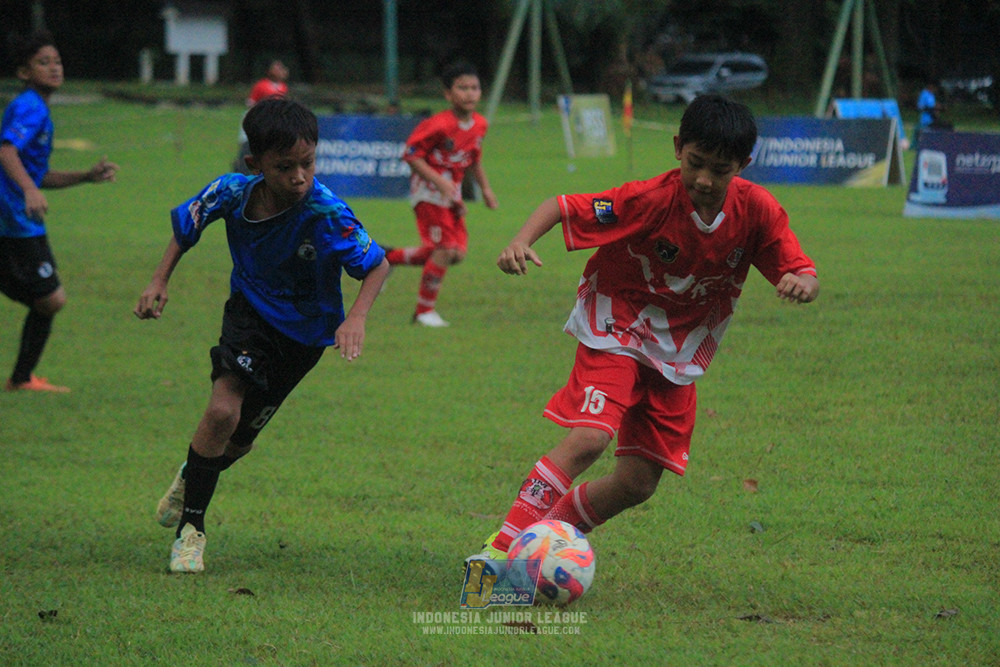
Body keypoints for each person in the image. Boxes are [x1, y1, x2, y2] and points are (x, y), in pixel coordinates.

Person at [466, 94, 820, 569]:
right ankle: (501, 552)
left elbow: (800, 269)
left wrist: (802, 283)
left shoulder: (757, 210)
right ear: (677, 148)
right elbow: (564, 205)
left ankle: (548, 537)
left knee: (637, 483)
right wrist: (519, 241)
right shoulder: (648, 199)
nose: (704, 179)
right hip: (617, 322)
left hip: (680, 348)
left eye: (720, 169)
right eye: (696, 163)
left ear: (744, 164)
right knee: (590, 438)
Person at [135, 98, 390, 573]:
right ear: (255, 164)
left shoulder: (328, 214)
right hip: (249, 315)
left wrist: (355, 317)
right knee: (221, 410)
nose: (299, 177)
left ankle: (192, 475)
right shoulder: (231, 192)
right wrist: (158, 280)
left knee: (238, 441)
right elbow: (188, 225)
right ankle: (192, 531)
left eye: (308, 163)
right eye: (285, 167)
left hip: (305, 337)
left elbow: (377, 265)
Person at [1, 30, 118, 393]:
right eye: (43, 62)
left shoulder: (36, 107)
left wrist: (85, 176)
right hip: (14, 221)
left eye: (57, 61)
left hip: (16, 218)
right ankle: (21, 379)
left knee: (48, 300)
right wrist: (30, 190)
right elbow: (6, 152)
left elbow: (38, 173)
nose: (54, 68)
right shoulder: (31, 107)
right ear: (24, 71)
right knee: (51, 299)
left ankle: (21, 378)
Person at [385, 60, 498, 327]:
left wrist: (486, 190)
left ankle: (387, 258)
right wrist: (439, 182)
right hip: (428, 192)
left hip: (451, 193)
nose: (470, 93)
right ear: (448, 94)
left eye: (475, 87)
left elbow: (474, 160)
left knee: (456, 253)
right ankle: (423, 311)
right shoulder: (438, 124)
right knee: (445, 249)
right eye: (462, 88)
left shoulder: (480, 124)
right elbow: (411, 155)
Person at [233, 59, 290, 173]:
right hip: (257, 120)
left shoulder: (283, 87)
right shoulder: (261, 85)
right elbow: (251, 103)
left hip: (272, 123)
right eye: (277, 68)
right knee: (247, 145)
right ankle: (241, 168)